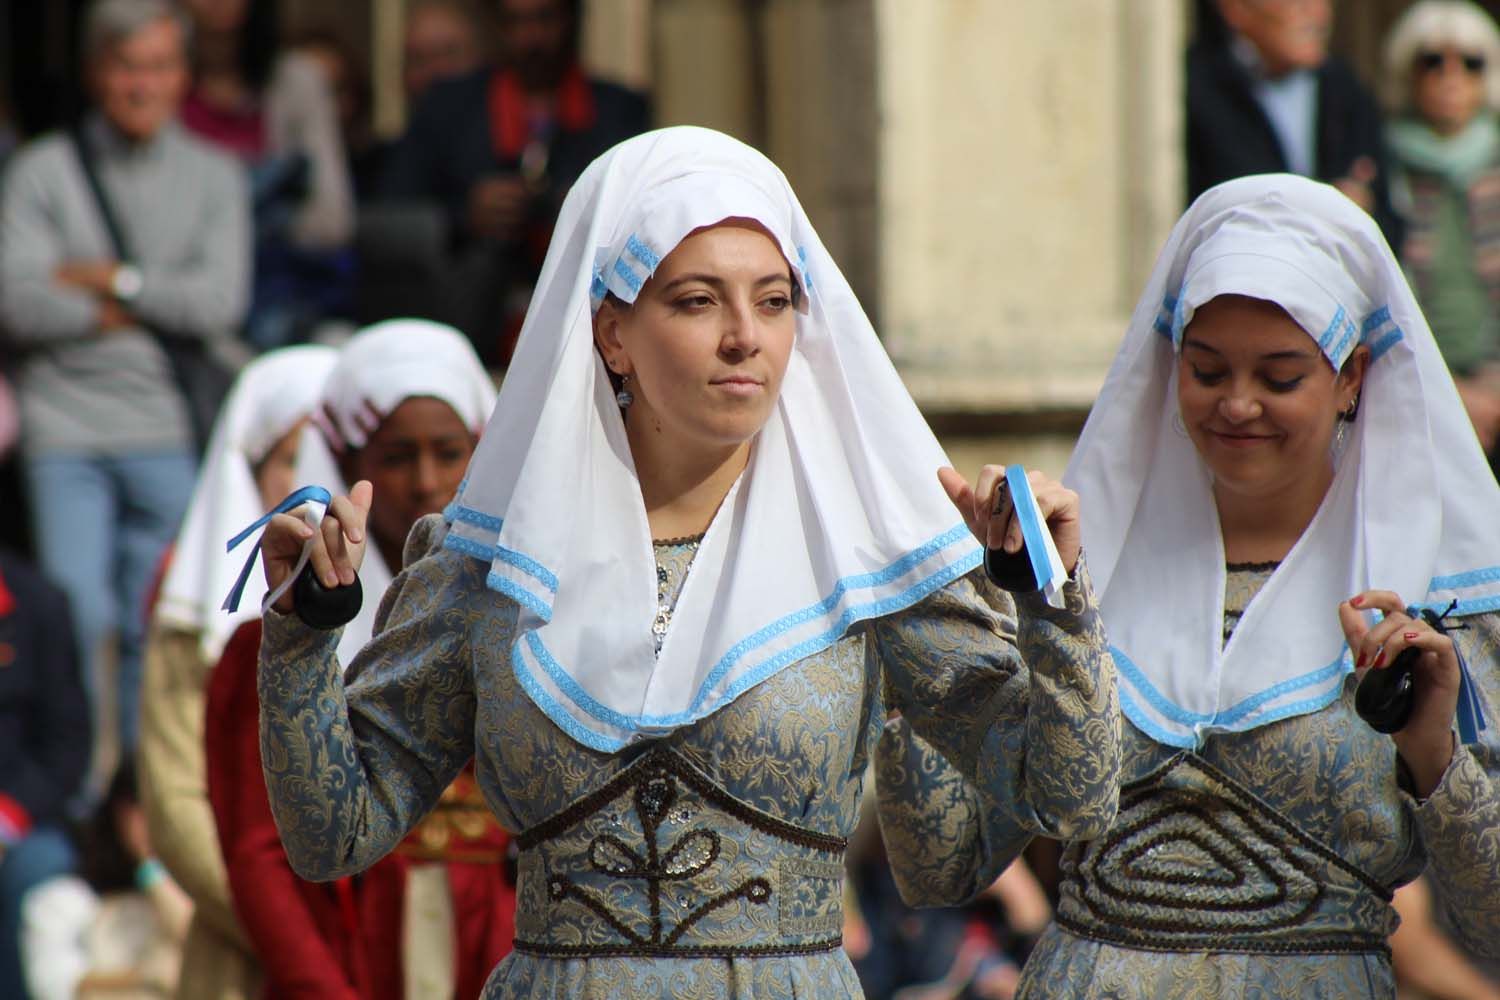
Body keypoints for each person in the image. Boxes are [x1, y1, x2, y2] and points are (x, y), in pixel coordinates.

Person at [246, 126, 1121, 998]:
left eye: (775, 301)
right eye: (699, 301)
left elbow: (1071, 801)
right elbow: (335, 835)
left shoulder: (867, 560)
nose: (746, 336)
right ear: (612, 333)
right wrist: (303, 631)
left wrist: (1051, 601)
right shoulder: (491, 565)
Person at [877, 173, 1500, 997]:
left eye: (1279, 378)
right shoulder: (1075, 569)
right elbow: (942, 862)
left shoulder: (1438, 596)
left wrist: (1431, 753)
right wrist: (946, 616)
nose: (1238, 405)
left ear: (1351, 375)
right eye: (1207, 371)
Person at [208, 320, 511, 1000]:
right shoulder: (276, 645)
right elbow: (262, 854)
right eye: (398, 457)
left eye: (449, 451)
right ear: (347, 465)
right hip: (349, 943)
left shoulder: (518, 619)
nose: (428, 482)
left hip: (498, 944)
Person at [0, 0, 251, 762]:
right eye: (126, 66)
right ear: (95, 73)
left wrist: (117, 284)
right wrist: (149, 299)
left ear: (184, 77)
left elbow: (219, 301)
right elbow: (16, 298)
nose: (142, 85)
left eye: (159, 67)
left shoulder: (216, 175)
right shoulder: (42, 171)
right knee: (80, 616)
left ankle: (143, 800)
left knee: (163, 620)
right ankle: (81, 791)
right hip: (63, 425)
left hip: (168, 425)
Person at [137, 344, 336, 1000]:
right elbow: (175, 804)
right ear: (249, 474)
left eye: (328, 463)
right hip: (245, 955)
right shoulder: (193, 617)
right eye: (290, 463)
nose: (313, 488)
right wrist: (296, 930)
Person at [379, 0, 649, 365]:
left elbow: (646, 216)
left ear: (571, 22)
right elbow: (389, 214)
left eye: (544, 20)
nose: (531, 38)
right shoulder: (448, 107)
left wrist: (586, 206)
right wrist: (464, 216)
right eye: (515, 23)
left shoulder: (619, 110)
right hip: (471, 323)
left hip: (586, 329)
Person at [180, 0, 356, 348]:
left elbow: (332, 220)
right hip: (189, 295)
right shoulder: (154, 81)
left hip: (280, 292)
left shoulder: (298, 80)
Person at [1382, 1, 1500, 458]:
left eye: (1470, 63)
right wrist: (1447, 392)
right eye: (1432, 61)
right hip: (1420, 389)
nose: (1450, 76)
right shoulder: (1383, 161)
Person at [1188, 0, 1402, 242]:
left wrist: (1362, 211)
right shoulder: (1193, 91)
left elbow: (1391, 224)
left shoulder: (1346, 90)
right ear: (1236, 8)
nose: (1317, 13)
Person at [0, 548, 92, 1000]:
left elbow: (68, 745)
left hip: (21, 824)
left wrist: (6, 819)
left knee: (35, 871)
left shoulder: (39, 603)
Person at [20, 761, 191, 1000]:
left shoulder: (189, 899)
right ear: (121, 814)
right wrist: (142, 977)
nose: (156, 824)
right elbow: (54, 987)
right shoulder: (61, 900)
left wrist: (155, 874)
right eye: (144, 809)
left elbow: (190, 934)